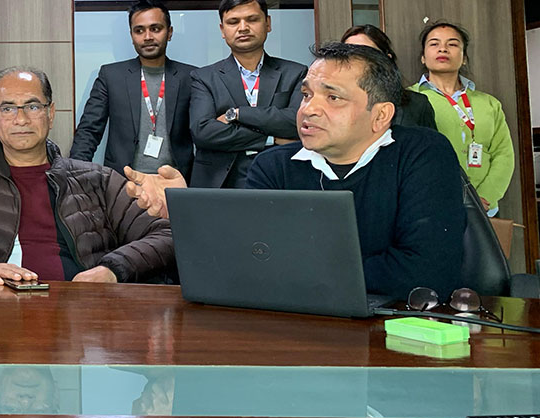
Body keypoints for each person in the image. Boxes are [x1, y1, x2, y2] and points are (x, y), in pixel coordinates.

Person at [128, 43, 466, 298]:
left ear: (380, 116)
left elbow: (427, 271)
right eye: (306, 95)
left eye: (332, 98)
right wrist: (186, 211)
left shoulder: (422, 154)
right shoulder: (274, 165)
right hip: (293, 327)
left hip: (396, 331)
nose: (308, 110)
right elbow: (246, 262)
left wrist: (294, 270)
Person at [0, 67, 174, 284]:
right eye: (8, 108)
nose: (21, 119)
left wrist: (113, 269)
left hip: (81, 312)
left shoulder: (97, 179)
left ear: (50, 113)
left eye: (32, 106)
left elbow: (165, 234)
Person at [188, 0, 307, 188]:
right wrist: (271, 138)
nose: (243, 28)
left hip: (280, 178)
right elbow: (203, 133)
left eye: (252, 19)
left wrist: (237, 114)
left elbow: (296, 122)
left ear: (268, 23)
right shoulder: (204, 77)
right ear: (222, 30)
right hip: (221, 183)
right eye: (233, 22)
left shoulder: (296, 73)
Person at [70, 0, 195, 179]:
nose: (148, 37)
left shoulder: (191, 77)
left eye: (155, 29)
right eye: (139, 30)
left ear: (169, 32)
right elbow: (89, 131)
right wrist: (75, 176)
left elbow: (203, 131)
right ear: (131, 35)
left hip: (176, 182)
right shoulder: (111, 76)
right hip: (124, 181)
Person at [411, 20, 515, 215]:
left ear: (464, 57)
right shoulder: (409, 100)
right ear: (423, 57)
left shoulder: (489, 103)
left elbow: (504, 154)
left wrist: (484, 197)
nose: (443, 49)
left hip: (485, 210)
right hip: (433, 208)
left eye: (452, 44)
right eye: (434, 44)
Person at [341, 24, 436, 129]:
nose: (358, 60)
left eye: (366, 53)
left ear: (386, 59)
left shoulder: (417, 104)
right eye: (349, 54)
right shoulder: (331, 104)